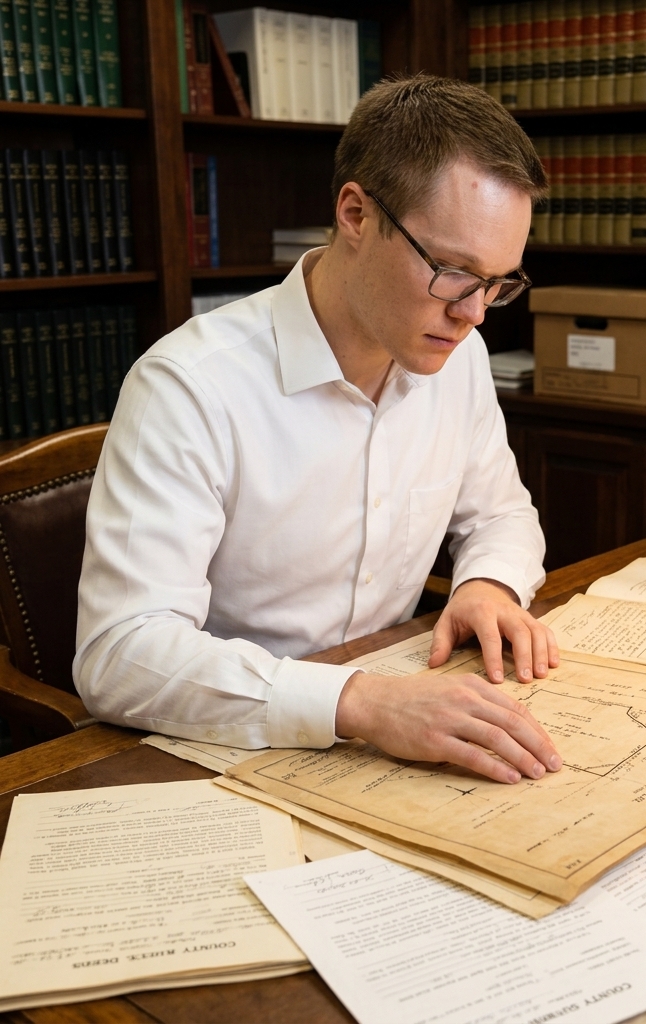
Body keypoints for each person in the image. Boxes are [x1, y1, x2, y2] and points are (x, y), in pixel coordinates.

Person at [74, 75, 563, 786]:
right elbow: (119, 656)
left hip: (396, 723)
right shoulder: (191, 386)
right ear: (357, 214)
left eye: (498, 282)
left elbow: (501, 512)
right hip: (217, 752)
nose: (476, 313)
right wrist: (360, 703)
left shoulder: (459, 358)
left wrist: (488, 586)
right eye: (455, 272)